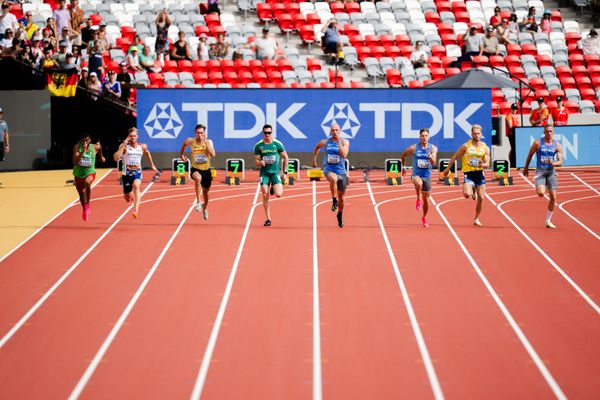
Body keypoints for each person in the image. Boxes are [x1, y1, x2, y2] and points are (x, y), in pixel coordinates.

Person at [441, 124, 490, 226]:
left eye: (478, 133)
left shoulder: (485, 148)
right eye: (475, 133)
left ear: (481, 134)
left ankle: (476, 219)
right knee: (467, 195)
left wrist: (483, 164)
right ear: (471, 134)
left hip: (479, 174)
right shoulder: (466, 146)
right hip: (469, 173)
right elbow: (455, 156)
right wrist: (447, 169)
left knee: (481, 197)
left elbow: (487, 163)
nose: (476, 135)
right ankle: (472, 190)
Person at [523, 124, 563, 228]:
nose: (549, 133)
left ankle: (548, 221)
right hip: (540, 172)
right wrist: (526, 168)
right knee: (541, 193)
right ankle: (542, 184)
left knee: (553, 197)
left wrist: (552, 163)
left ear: (553, 132)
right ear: (544, 132)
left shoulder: (557, 145)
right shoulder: (537, 143)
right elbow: (530, 154)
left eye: (551, 131)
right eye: (547, 131)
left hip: (551, 172)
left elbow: (560, 162)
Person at [113, 127, 158, 219]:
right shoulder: (124, 146)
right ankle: (131, 197)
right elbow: (116, 158)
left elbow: (147, 153)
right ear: (128, 137)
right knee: (127, 198)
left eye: (134, 136)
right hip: (126, 175)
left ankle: (135, 211)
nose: (133, 138)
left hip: (137, 172)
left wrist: (152, 165)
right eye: (131, 136)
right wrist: (123, 144)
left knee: (136, 186)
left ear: (137, 137)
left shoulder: (142, 146)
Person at [312, 123, 350, 228]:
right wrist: (314, 160)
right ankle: (334, 200)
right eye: (333, 130)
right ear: (330, 131)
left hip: (341, 171)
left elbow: (344, 155)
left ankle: (340, 215)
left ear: (340, 130)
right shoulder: (325, 142)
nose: (335, 132)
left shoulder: (345, 142)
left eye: (337, 130)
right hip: (328, 169)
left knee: (342, 198)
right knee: (333, 178)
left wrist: (338, 143)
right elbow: (316, 147)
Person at [400, 128, 438, 228]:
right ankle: (418, 198)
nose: (424, 138)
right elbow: (403, 154)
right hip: (416, 175)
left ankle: (424, 217)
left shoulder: (433, 148)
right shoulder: (414, 147)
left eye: (426, 136)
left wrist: (430, 157)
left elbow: (434, 162)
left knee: (427, 201)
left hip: (427, 176)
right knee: (419, 183)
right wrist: (403, 167)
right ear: (419, 137)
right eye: (422, 136)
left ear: (428, 137)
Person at [254, 124, 289, 227]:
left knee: (279, 194)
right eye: (265, 133)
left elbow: (286, 157)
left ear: (271, 133)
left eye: (269, 133)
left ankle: (274, 188)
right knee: (265, 193)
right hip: (264, 173)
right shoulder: (258, 145)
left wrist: (285, 172)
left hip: (275, 172)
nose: (267, 135)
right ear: (263, 133)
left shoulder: (277, 144)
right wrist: (260, 163)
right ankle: (268, 218)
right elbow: (256, 161)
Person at [179, 124, 216, 220]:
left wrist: (206, 143)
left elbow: (213, 154)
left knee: (206, 194)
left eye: (201, 133)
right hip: (196, 168)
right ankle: (198, 202)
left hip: (206, 170)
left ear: (204, 133)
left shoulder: (209, 142)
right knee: (198, 178)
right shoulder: (190, 141)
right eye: (198, 133)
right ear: (195, 133)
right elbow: (184, 145)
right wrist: (182, 155)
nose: (199, 135)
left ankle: (205, 208)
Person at [72, 133, 105, 221]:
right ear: (80, 141)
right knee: (82, 194)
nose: (84, 142)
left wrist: (101, 157)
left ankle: (88, 204)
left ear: (89, 140)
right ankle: (84, 209)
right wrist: (82, 151)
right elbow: (75, 162)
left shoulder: (94, 147)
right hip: (78, 174)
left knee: (87, 182)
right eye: (82, 141)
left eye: (86, 140)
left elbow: (100, 148)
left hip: (90, 172)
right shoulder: (76, 148)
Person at [505, 102, 520, 167]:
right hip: (512, 134)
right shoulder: (509, 116)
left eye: (515, 109)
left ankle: (513, 162)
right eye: (513, 108)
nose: (514, 110)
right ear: (511, 109)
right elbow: (510, 126)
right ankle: (512, 163)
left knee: (514, 148)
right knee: (513, 148)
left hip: (516, 134)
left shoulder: (516, 116)